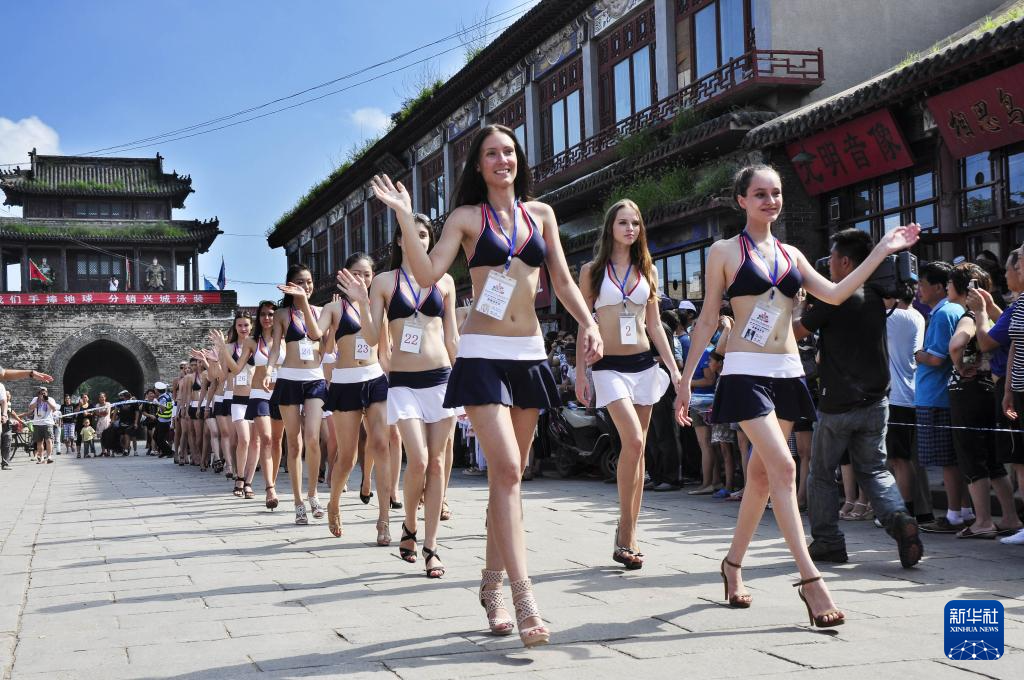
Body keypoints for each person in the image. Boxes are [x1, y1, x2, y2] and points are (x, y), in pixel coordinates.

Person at [371, 123, 602, 647]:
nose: (503, 160)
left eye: (509, 152)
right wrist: (405, 216)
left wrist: (588, 322)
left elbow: (562, 280)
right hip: (481, 355)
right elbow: (427, 274)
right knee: (507, 470)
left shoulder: (540, 214)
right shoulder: (466, 218)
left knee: (509, 477)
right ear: (478, 165)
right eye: (492, 154)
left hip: (529, 353)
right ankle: (524, 597)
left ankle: (490, 584)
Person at [677, 163, 920, 627]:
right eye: (760, 193)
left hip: (788, 373)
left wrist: (883, 250)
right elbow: (708, 318)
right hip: (745, 373)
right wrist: (686, 379)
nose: (770, 200)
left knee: (761, 478)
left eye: (776, 192)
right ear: (742, 200)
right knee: (785, 467)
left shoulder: (792, 254)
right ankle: (810, 580)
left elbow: (836, 293)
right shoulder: (723, 251)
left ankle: (732, 565)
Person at [793, 227, 922, 568]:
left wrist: (794, 307)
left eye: (833, 258)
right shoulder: (876, 295)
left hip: (837, 404)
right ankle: (899, 518)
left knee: (822, 473)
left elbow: (797, 332)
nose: (828, 265)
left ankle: (828, 542)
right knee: (875, 470)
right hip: (877, 401)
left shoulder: (833, 298)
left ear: (846, 262)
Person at [576, 198, 679, 570]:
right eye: (623, 222)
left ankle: (629, 532)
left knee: (638, 450)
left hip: (643, 364)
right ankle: (624, 526)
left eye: (635, 223)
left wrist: (675, 369)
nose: (630, 229)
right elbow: (583, 323)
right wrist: (580, 372)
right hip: (607, 366)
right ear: (610, 227)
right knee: (633, 441)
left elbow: (654, 326)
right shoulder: (592, 271)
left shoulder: (647, 270)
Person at [372, 217, 459, 577]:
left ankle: (431, 546)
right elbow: (371, 337)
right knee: (419, 460)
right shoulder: (384, 282)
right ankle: (409, 523)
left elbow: (451, 336)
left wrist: (466, 378)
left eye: (424, 235)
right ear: (399, 240)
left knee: (437, 463)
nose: (419, 239)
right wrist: (361, 300)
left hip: (442, 379)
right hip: (403, 383)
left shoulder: (445, 281)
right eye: (412, 233)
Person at [947, 263, 1022, 539]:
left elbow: (959, 344)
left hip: (970, 393)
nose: (946, 287)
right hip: (990, 389)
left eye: (949, 283)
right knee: (993, 459)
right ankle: (1010, 517)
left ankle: (983, 521)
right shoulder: (996, 314)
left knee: (972, 458)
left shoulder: (970, 316)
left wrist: (960, 364)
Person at [320, 254, 392, 540]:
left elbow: (384, 352)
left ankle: (384, 520)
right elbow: (315, 333)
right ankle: (334, 504)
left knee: (381, 445)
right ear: (345, 275)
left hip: (374, 379)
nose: (361, 279)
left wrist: (399, 382)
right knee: (347, 457)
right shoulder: (333, 308)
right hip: (345, 383)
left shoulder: (378, 307)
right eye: (356, 273)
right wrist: (301, 301)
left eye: (366, 274)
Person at [914, 262, 971, 533]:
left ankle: (953, 515)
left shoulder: (944, 313)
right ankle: (965, 511)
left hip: (936, 395)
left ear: (939, 287)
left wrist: (918, 355)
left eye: (922, 284)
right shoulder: (956, 310)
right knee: (955, 459)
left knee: (947, 460)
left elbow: (936, 358)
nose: (918, 290)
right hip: (944, 394)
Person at [270, 263, 329, 525]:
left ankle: (313, 494)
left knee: (313, 437)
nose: (306, 286)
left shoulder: (320, 311)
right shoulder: (282, 314)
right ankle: (297, 502)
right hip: (289, 378)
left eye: (309, 281)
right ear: (290, 285)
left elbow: (322, 342)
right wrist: (270, 369)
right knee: (293, 443)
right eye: (300, 282)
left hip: (315, 378)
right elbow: (275, 347)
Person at [974, 245, 1024, 545]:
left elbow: (987, 343)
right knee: (1018, 458)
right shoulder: (1019, 305)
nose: (1009, 274)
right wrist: (1007, 390)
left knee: (1021, 459)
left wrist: (981, 313)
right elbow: (1015, 343)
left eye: (1014, 267)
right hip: (1015, 390)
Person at [883, 283, 933, 525]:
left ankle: (905, 513)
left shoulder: (893, 318)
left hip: (897, 397)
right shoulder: (917, 316)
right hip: (913, 394)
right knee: (911, 459)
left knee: (898, 460)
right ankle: (922, 511)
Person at [243, 300, 286, 509]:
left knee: (277, 441)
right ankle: (269, 488)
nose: (267, 318)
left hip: (281, 394)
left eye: (271, 314)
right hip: (259, 394)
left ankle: (272, 482)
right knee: (266, 439)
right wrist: (222, 351)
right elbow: (237, 367)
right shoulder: (252, 341)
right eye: (263, 314)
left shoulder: (286, 340)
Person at [24, 386, 59, 464]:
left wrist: (47, 401)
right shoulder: (35, 399)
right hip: (37, 423)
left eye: (44, 393)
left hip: (47, 423)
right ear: (38, 393)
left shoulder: (50, 399)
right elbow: (30, 407)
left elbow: (54, 409)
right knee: (39, 441)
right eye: (41, 393)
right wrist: (38, 401)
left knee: (48, 440)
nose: (43, 394)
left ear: (47, 393)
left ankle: (49, 457)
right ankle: (41, 457)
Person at [154, 381, 174, 458]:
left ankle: (170, 452)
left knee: (159, 439)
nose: (154, 390)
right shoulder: (166, 395)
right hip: (163, 420)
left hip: (164, 421)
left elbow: (163, 409)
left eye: (155, 389)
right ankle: (165, 451)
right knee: (155, 437)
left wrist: (157, 403)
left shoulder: (162, 399)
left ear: (157, 390)